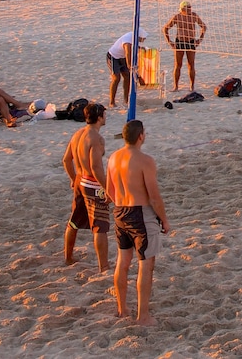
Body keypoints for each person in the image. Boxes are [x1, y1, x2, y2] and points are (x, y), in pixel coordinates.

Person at [106, 119, 170, 326]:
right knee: (146, 264)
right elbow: (154, 197)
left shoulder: (113, 158)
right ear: (141, 136)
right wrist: (164, 220)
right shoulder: (145, 160)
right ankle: (143, 315)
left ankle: (121, 308)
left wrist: (122, 204)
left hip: (120, 211)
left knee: (122, 261)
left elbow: (110, 191)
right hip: (140, 213)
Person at [63, 103, 110, 272]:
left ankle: (68, 258)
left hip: (80, 180)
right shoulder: (96, 139)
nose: (106, 117)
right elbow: (96, 167)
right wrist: (108, 188)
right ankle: (103, 266)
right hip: (92, 183)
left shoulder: (77, 134)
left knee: (74, 221)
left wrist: (73, 178)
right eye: (104, 114)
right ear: (99, 117)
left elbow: (66, 159)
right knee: (100, 226)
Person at [163, 1, 207, 92]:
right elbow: (165, 28)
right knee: (178, 65)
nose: (190, 9)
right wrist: (169, 42)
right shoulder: (177, 17)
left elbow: (203, 26)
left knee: (191, 65)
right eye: (188, 7)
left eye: (190, 7)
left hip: (191, 42)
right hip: (180, 42)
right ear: (183, 9)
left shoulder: (194, 16)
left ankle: (192, 86)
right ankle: (176, 87)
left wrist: (200, 39)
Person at [107, 30, 148, 107]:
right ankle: (112, 102)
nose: (144, 40)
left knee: (127, 77)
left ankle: (126, 100)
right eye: (143, 38)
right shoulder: (127, 42)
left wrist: (140, 48)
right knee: (116, 78)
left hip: (122, 57)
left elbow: (133, 46)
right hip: (113, 56)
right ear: (139, 37)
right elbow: (128, 54)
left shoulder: (133, 37)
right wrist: (136, 73)